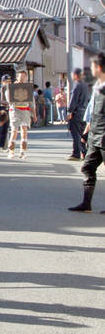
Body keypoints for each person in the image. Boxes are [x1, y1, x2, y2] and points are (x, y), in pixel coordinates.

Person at [68, 52, 105, 213]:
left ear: (99, 67)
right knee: (88, 167)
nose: (90, 69)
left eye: (92, 66)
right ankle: (86, 203)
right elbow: (92, 112)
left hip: (104, 134)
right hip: (95, 134)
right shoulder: (97, 87)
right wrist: (86, 132)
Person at [3, 70, 35, 159]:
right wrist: (12, 89)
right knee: (14, 131)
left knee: (24, 131)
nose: (22, 78)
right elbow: (8, 100)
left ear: (26, 78)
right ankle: (11, 151)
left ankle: (23, 151)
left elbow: (32, 102)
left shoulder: (28, 88)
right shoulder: (11, 87)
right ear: (17, 77)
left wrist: (34, 114)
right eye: (20, 77)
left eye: (24, 77)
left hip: (25, 111)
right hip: (15, 110)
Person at [67, 68, 91, 161]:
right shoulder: (85, 86)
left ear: (76, 75)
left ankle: (76, 153)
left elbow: (74, 100)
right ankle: (84, 152)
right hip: (84, 112)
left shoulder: (77, 85)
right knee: (82, 134)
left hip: (76, 112)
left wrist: (70, 111)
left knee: (76, 134)